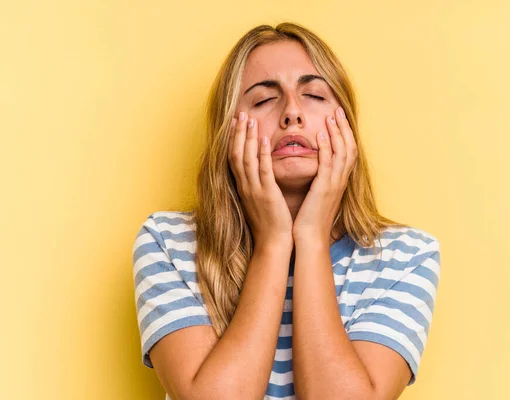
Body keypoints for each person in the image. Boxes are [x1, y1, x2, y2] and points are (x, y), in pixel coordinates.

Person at [132, 22, 441, 400]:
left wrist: (309, 238)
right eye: (263, 100)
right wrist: (274, 243)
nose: (292, 113)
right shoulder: (167, 243)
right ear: (228, 131)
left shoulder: (407, 256)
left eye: (313, 94)